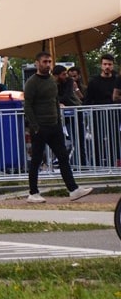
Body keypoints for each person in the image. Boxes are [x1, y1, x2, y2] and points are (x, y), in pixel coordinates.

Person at [24, 52, 93, 202]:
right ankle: (33, 193)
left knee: (63, 157)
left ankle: (73, 189)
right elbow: (27, 105)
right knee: (36, 160)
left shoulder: (51, 80)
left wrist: (58, 121)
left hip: (54, 125)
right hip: (40, 127)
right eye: (44, 61)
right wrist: (35, 126)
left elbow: (55, 101)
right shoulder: (32, 82)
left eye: (49, 61)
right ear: (37, 63)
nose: (48, 64)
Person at [83, 54, 120, 166]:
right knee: (98, 140)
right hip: (97, 115)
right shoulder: (94, 82)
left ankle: (115, 163)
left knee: (115, 139)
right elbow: (88, 99)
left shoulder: (117, 80)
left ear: (113, 66)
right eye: (105, 64)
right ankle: (98, 164)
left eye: (109, 64)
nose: (107, 67)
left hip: (114, 115)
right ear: (101, 65)